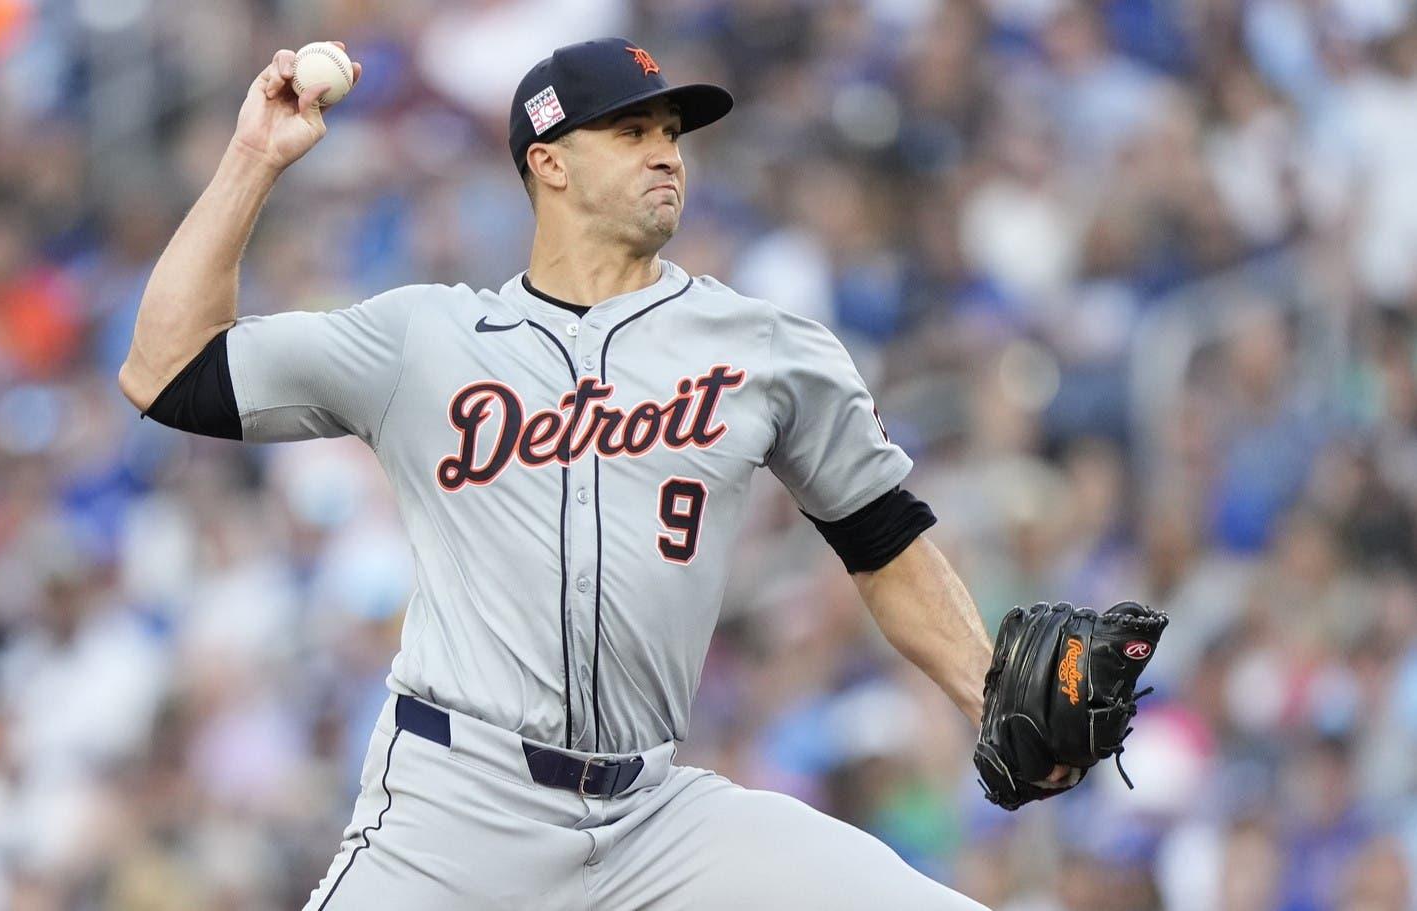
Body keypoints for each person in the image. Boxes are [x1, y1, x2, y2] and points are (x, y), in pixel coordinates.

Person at [119, 36, 1013, 910]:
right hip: (456, 809)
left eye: (671, 133)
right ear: (547, 162)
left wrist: (991, 698)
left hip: (653, 818)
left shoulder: (764, 348)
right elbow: (166, 371)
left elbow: (882, 537)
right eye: (630, 133)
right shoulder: (421, 341)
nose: (666, 154)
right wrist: (253, 158)